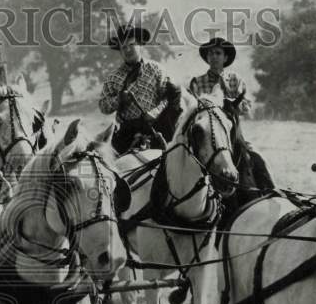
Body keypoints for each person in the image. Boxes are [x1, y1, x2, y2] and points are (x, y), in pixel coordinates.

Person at [188, 36, 275, 193]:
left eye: (218, 53)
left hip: (234, 135)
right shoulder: (197, 82)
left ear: (225, 57)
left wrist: (231, 99)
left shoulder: (235, 80)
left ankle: (272, 192)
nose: (214, 57)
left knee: (257, 158)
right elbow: (193, 111)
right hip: (206, 139)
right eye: (210, 54)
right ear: (207, 58)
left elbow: (246, 107)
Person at [98, 24, 181, 155]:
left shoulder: (156, 69)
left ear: (140, 44)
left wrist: (154, 112)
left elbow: (167, 97)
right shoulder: (113, 78)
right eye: (123, 47)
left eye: (132, 45)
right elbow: (103, 106)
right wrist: (119, 99)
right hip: (127, 134)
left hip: (155, 128)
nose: (128, 50)